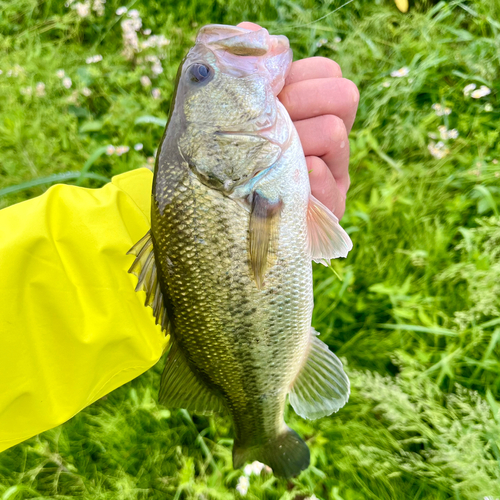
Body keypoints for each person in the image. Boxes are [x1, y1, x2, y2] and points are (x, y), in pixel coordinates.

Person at [0, 22, 359, 453]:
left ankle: (258, 426)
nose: (202, 71)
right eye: (201, 77)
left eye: (199, 76)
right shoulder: (221, 178)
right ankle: (262, 430)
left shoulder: (222, 179)